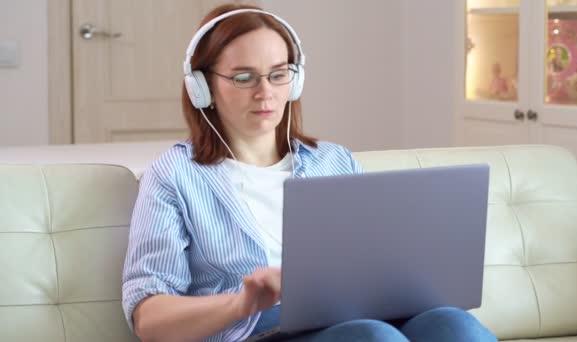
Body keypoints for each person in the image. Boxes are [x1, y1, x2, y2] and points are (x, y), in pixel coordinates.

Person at [121, 4, 498, 342]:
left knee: (453, 324)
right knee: (371, 338)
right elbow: (148, 319)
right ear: (202, 87)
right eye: (243, 77)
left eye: (278, 74)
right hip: (259, 330)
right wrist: (240, 304)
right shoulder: (174, 176)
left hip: (357, 318)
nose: (265, 93)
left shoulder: (334, 161)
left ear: (295, 79)